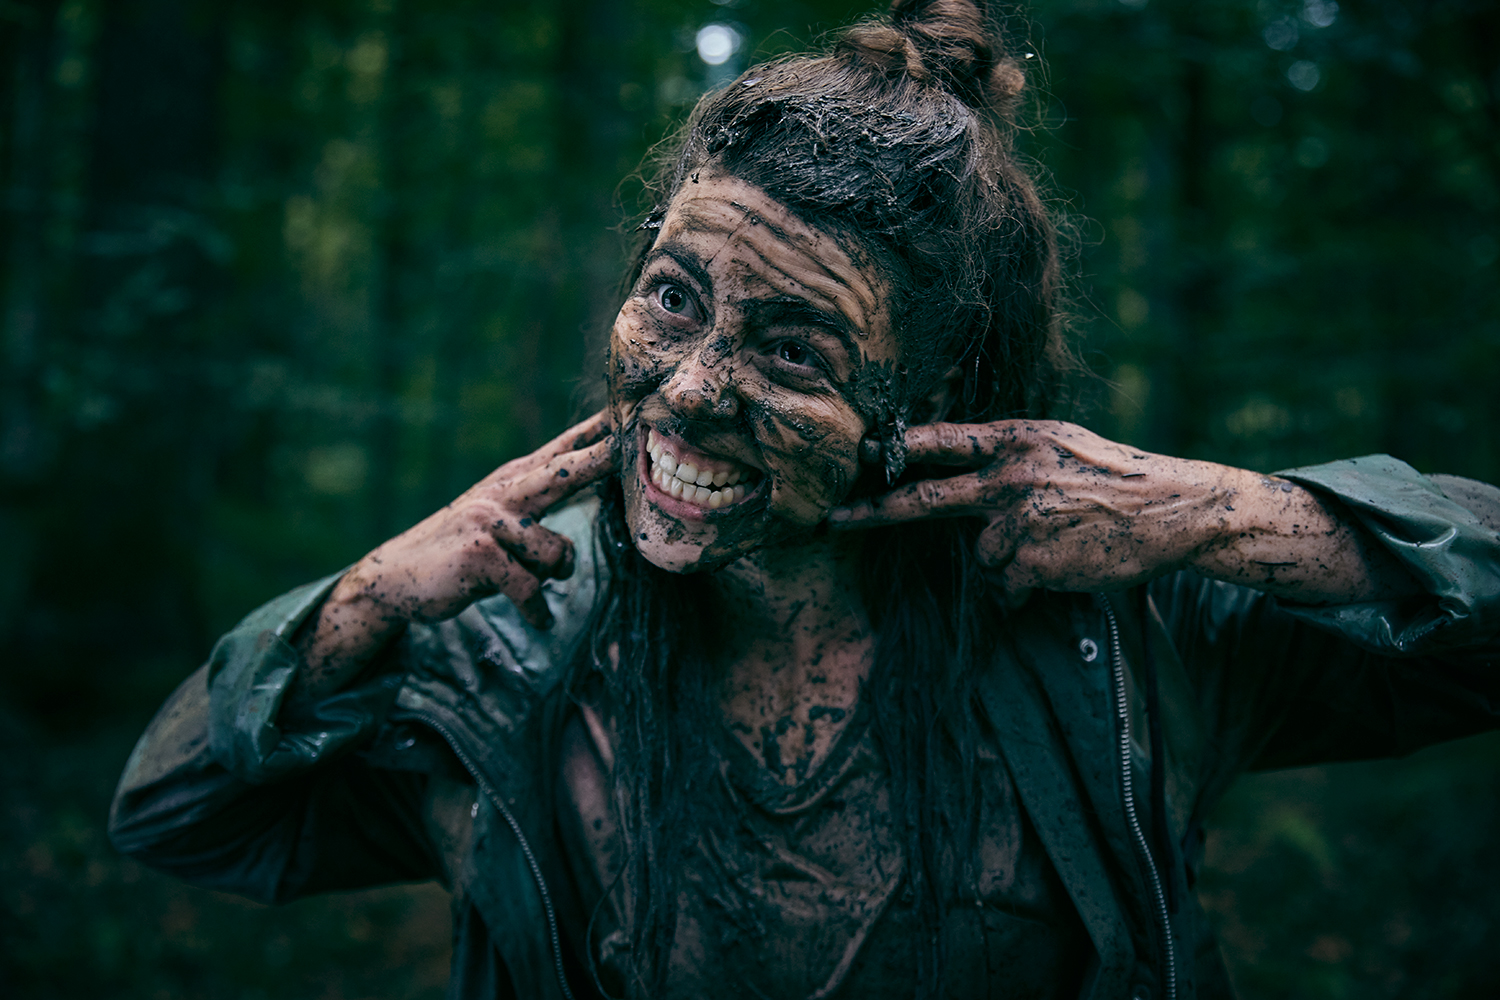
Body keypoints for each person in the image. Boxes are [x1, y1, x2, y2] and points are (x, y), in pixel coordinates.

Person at [109, 1, 1500, 998]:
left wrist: (1234, 514)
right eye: (673, 297)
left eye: (793, 351)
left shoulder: (1121, 634)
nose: (692, 390)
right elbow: (176, 815)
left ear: (939, 397)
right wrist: (356, 606)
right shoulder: (512, 644)